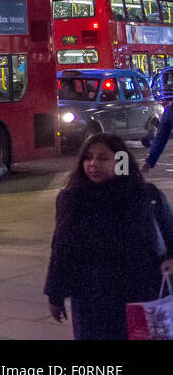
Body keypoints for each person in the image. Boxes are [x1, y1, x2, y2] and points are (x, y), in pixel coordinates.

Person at [46, 133, 173, 339]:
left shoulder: (145, 196)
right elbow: (60, 248)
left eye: (103, 158)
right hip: (90, 298)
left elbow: (169, 233)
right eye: (88, 158)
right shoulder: (71, 199)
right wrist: (55, 294)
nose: (93, 164)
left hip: (139, 293)